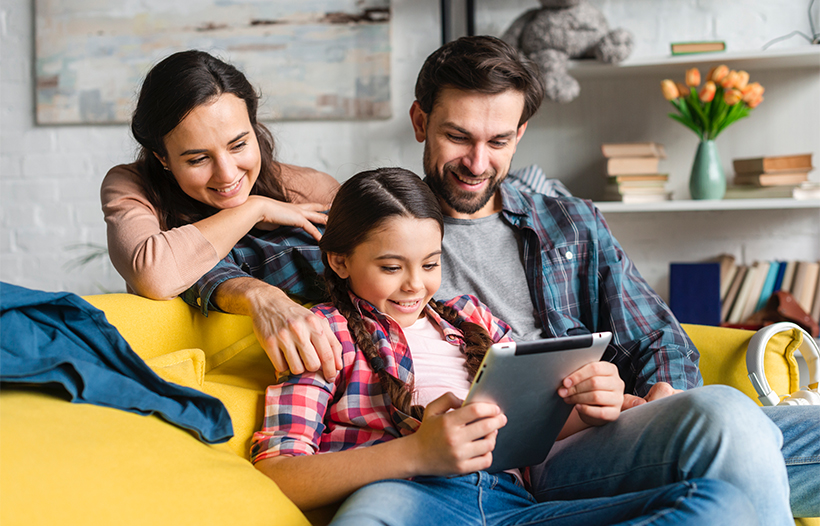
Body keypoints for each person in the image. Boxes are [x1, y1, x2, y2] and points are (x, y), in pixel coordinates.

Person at [409, 34, 818, 522]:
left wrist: (667, 391)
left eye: (497, 141)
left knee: (742, 426)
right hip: (527, 463)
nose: (477, 164)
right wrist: (285, 308)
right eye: (457, 137)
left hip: (609, 430)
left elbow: (656, 335)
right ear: (420, 122)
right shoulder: (378, 233)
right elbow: (300, 262)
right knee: (727, 417)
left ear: (519, 135)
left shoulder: (570, 223)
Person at [251, 167, 757, 526]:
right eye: (390, 267)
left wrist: (591, 403)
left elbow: (532, 425)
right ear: (339, 262)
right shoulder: (322, 334)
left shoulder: (470, 319)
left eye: (430, 264)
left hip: (517, 502)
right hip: (409, 497)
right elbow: (278, 474)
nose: (414, 285)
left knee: (722, 506)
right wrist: (415, 454)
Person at [101, 50, 342, 381]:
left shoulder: (308, 188)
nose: (227, 175)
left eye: (239, 145)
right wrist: (254, 208)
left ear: (254, 128)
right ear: (163, 158)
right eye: (198, 159)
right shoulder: (134, 185)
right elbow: (155, 274)